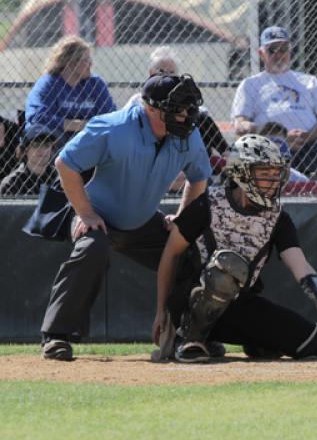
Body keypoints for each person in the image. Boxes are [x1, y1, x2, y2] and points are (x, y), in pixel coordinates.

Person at [40, 73, 212, 361]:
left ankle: (191, 336)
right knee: (92, 248)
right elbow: (64, 164)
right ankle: (56, 337)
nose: (184, 117)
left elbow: (199, 180)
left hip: (143, 221)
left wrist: (181, 220)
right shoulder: (113, 128)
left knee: (190, 254)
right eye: (177, 109)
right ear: (151, 108)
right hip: (98, 217)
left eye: (188, 109)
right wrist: (85, 212)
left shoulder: (188, 135)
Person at [152, 134, 317, 364]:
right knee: (227, 267)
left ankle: (255, 342)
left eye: (276, 174)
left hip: (238, 306)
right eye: (264, 174)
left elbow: (302, 267)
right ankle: (189, 337)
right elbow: (171, 254)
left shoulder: (277, 217)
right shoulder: (208, 204)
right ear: (240, 172)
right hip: (190, 302)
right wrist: (161, 311)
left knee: (314, 344)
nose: (273, 181)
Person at [230, 25, 317, 194]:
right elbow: (239, 124)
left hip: (307, 146)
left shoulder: (309, 81)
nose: (278, 54)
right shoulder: (250, 84)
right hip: (267, 147)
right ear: (261, 53)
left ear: (290, 51)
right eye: (272, 50)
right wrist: (277, 136)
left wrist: (307, 137)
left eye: (283, 49)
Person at [124, 46, 229, 191]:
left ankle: (227, 157)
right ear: (150, 72)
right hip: (152, 157)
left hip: (183, 155)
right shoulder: (138, 100)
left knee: (201, 117)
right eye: (161, 71)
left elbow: (200, 115)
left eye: (171, 72)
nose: (166, 75)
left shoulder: (186, 101)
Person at [25, 36, 116, 145]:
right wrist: (79, 125)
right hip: (55, 144)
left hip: (88, 142)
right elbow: (36, 117)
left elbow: (110, 116)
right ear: (71, 63)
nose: (90, 64)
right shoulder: (49, 83)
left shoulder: (95, 84)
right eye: (86, 60)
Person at [0, 124, 58, 196]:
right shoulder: (11, 183)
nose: (42, 150)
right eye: (36, 145)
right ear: (25, 150)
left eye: (47, 145)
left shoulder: (60, 177)